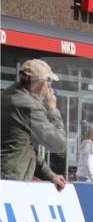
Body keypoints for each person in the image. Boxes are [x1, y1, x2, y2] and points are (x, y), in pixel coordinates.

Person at [1, 59, 67, 190]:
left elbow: (25, 149)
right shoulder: (28, 106)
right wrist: (53, 109)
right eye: (49, 82)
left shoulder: (9, 95)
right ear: (40, 83)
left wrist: (50, 175)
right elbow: (59, 144)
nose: (50, 88)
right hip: (11, 181)